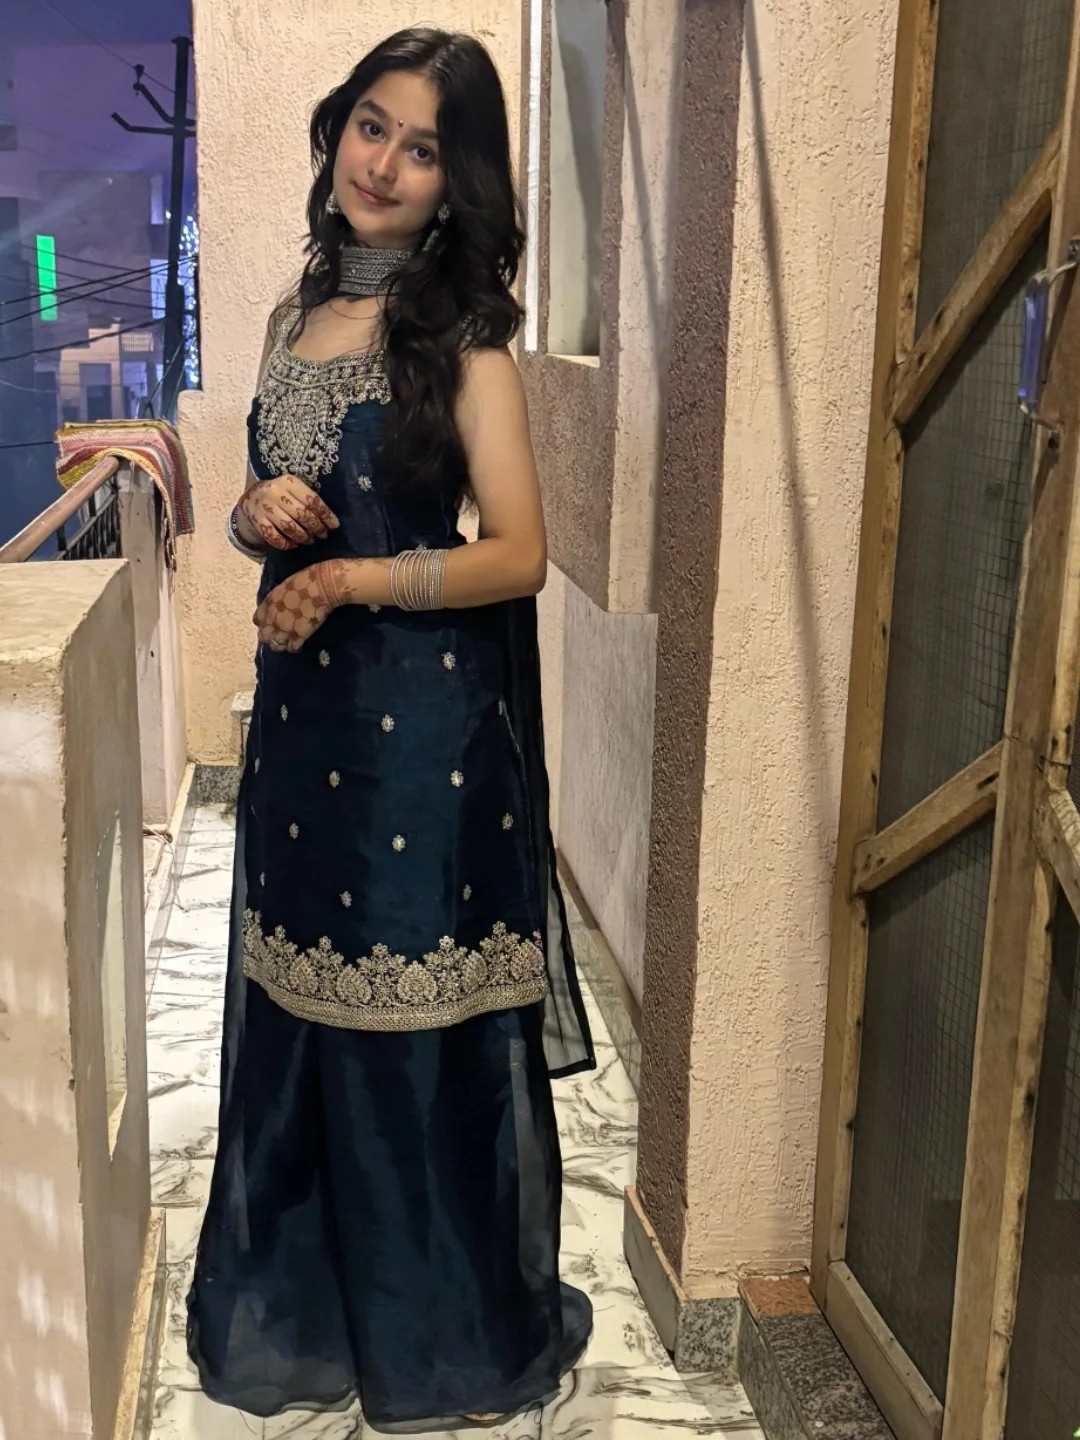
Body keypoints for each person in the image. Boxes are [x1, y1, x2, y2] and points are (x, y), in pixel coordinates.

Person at [186, 26, 596, 1435]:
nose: (383, 165)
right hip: (305, 732)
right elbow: (275, 506)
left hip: (423, 743)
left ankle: (444, 1339)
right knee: (303, 1013)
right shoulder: (292, 315)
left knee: (413, 1036)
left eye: (423, 149)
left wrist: (359, 576)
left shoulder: (466, 342)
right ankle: (315, 1318)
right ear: (338, 128)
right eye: (373, 126)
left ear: (454, 183)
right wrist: (254, 515)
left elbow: (520, 553)